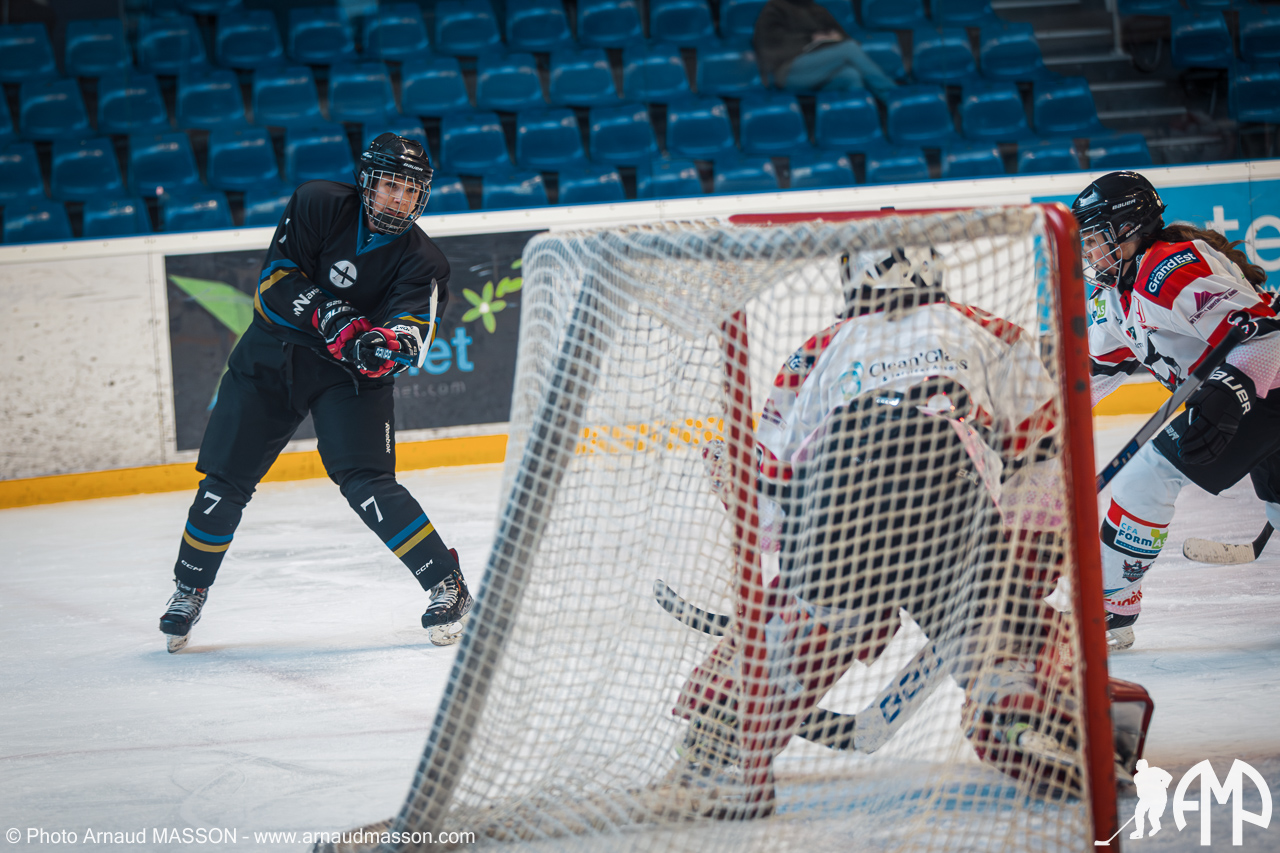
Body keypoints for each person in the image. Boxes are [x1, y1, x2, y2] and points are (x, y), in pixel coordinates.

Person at [661, 246, 1092, 814]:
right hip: (951, 497)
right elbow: (1044, 448)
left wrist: (746, 504)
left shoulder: (818, 349)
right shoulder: (993, 332)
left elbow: (771, 482)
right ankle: (1021, 714)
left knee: (801, 621)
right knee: (1002, 642)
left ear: (850, 276)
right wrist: (1031, 554)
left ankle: (716, 735)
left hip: (843, 499)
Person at [157, 133, 474, 652]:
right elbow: (275, 282)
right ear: (367, 182)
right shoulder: (318, 203)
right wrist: (332, 315)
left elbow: (414, 329)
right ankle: (189, 588)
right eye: (390, 186)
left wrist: (383, 344)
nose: (399, 199)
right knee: (224, 481)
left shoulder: (425, 261)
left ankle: (447, 582)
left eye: (410, 190)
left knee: (369, 482)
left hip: (348, 375)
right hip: (272, 356)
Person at [1073, 171, 1280, 651]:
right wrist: (1042, 425)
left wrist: (1231, 391)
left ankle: (1110, 604)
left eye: (1094, 238)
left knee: (1144, 478)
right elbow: (1090, 377)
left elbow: (1266, 335)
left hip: (1264, 391)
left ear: (1128, 227)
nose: (1088, 252)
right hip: (1253, 397)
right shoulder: (1113, 298)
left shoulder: (1167, 271)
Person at [752, 0, 898, 102]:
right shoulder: (775, 8)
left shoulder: (817, 10)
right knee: (849, 48)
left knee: (851, 75)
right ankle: (891, 95)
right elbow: (770, 44)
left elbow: (841, 37)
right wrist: (811, 39)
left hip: (820, 70)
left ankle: (855, 122)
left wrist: (826, 39)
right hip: (789, 73)